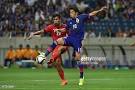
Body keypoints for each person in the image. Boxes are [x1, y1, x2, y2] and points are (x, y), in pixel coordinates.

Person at [47, 6, 107, 85]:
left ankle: (81, 76)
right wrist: (59, 30)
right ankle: (48, 56)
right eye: (70, 12)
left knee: (77, 58)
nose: (70, 14)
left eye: (72, 12)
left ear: (76, 13)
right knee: (57, 42)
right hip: (70, 39)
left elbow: (91, 14)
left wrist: (100, 10)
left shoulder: (81, 17)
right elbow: (65, 29)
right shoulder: (69, 22)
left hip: (78, 41)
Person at [28, 14, 68, 85]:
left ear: (60, 19)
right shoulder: (51, 27)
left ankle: (49, 57)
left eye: (56, 19)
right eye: (54, 19)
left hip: (64, 45)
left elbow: (70, 34)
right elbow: (42, 31)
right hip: (55, 46)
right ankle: (63, 80)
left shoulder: (65, 26)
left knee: (59, 48)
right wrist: (33, 34)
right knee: (57, 63)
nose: (55, 20)